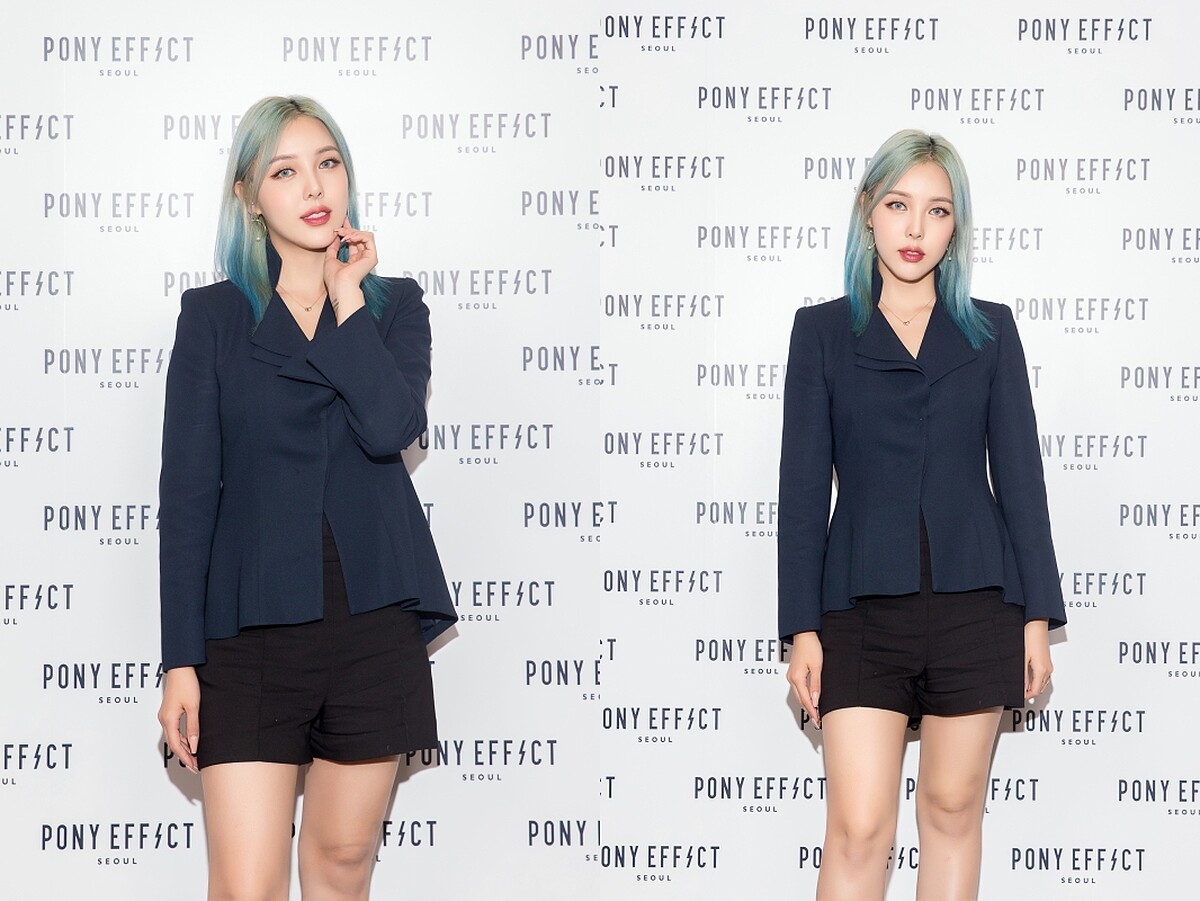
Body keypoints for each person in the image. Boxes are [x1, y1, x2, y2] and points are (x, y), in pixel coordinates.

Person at [156, 95, 457, 900]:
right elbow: (186, 498)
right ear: (251, 196)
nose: (315, 186)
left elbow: (390, 428)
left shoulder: (394, 308)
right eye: (285, 171)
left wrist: (349, 297)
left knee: (341, 866)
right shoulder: (214, 318)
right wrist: (180, 661)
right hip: (247, 634)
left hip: (371, 626)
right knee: (246, 883)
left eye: (327, 163)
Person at [778, 129, 1066, 901]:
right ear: (867, 211)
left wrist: (1037, 617)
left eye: (937, 210)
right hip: (857, 611)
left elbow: (1022, 481)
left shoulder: (991, 332)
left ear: (955, 225)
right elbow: (801, 494)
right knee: (858, 826)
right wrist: (802, 629)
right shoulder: (821, 333)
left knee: (950, 811)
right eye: (899, 205)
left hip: (977, 606)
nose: (915, 228)